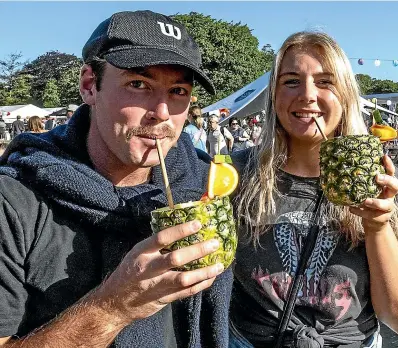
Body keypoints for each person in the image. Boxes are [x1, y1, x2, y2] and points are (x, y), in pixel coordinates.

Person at [0, 10, 233, 348]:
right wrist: (114, 307)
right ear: (89, 85)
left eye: (179, 91)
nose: (163, 112)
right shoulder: (14, 200)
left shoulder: (203, 186)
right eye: (138, 85)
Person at [229, 31, 398, 348]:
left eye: (325, 81)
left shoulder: (379, 179)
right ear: (273, 96)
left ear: (345, 96)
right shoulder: (234, 175)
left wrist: (377, 227)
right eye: (291, 81)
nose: (307, 94)